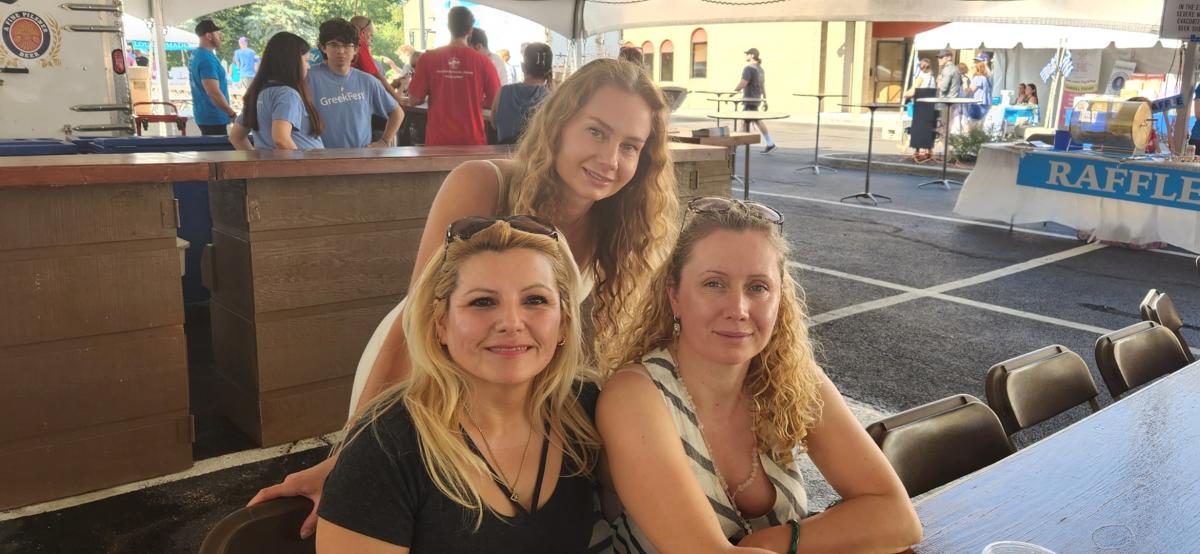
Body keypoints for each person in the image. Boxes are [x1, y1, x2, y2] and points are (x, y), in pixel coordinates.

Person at [249, 58, 680, 539]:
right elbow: (415, 319)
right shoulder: (484, 181)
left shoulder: (618, 224)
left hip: (503, 378)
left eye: (630, 146)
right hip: (422, 358)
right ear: (560, 124)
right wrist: (349, 454)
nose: (610, 158)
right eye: (596, 132)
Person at [598, 197, 923, 553]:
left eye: (757, 287)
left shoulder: (792, 378)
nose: (738, 309)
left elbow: (898, 518)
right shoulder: (634, 396)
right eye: (714, 284)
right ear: (674, 296)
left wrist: (770, 540)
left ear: (779, 299)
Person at [316, 217, 603, 553]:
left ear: (564, 322)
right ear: (441, 324)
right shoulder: (386, 447)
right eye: (483, 302)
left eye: (535, 300)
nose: (511, 323)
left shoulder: (588, 411)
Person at [406, 6, 500, 146]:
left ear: (449, 27)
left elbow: (414, 99)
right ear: (470, 30)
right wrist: (474, 99)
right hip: (472, 141)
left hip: (438, 141)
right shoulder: (484, 62)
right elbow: (496, 102)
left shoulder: (428, 58)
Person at [307, 18, 403, 148]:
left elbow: (397, 112)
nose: (341, 51)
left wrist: (384, 141)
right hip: (321, 156)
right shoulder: (308, 78)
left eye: (347, 45)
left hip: (360, 156)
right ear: (323, 47)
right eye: (334, 45)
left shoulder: (368, 81)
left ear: (356, 49)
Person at [229, 32, 324, 152]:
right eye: (306, 60)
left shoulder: (258, 93)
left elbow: (236, 137)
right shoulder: (287, 94)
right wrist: (300, 163)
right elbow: (281, 139)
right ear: (292, 62)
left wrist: (257, 160)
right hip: (301, 163)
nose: (308, 66)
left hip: (271, 163)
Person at [491, 42, 553, 144]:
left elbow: (494, 125)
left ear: (523, 67)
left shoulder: (502, 92)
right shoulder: (553, 99)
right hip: (537, 154)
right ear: (549, 71)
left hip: (505, 153)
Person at [188, 20, 238, 135]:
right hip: (213, 116)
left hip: (204, 114)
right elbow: (213, 92)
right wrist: (232, 114)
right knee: (217, 146)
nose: (220, 37)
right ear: (209, 36)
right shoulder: (206, 59)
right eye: (217, 33)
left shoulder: (196, 54)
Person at [735, 48, 776, 154]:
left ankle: (734, 147)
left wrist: (734, 91)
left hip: (749, 99)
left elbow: (743, 82)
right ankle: (770, 143)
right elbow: (762, 86)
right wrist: (764, 100)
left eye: (747, 54)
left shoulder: (749, 68)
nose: (746, 56)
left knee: (743, 121)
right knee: (755, 120)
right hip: (756, 99)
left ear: (752, 55)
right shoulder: (760, 69)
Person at [964, 53, 993, 129]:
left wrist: (964, 83)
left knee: (972, 125)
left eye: (973, 67)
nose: (971, 69)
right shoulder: (984, 77)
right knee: (979, 125)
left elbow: (970, 90)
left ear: (977, 68)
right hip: (983, 104)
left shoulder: (978, 78)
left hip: (977, 104)